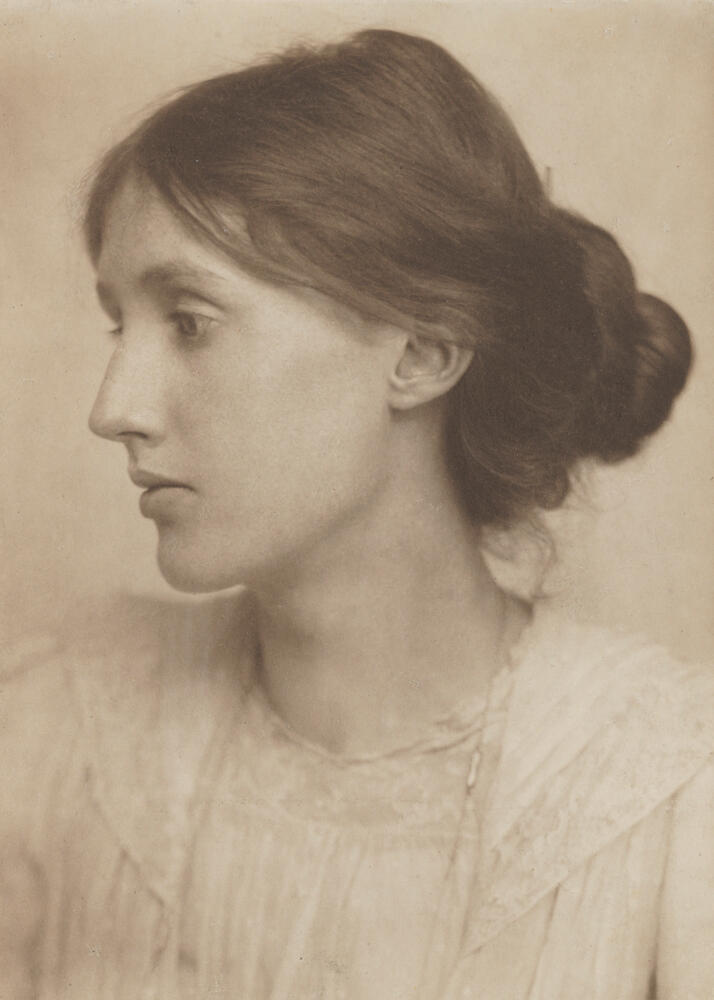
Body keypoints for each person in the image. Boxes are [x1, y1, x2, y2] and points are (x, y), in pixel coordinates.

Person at [1, 28, 712, 1000]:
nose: (113, 407)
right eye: (119, 325)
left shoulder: (666, 800)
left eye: (191, 323)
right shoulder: (56, 737)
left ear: (421, 354)